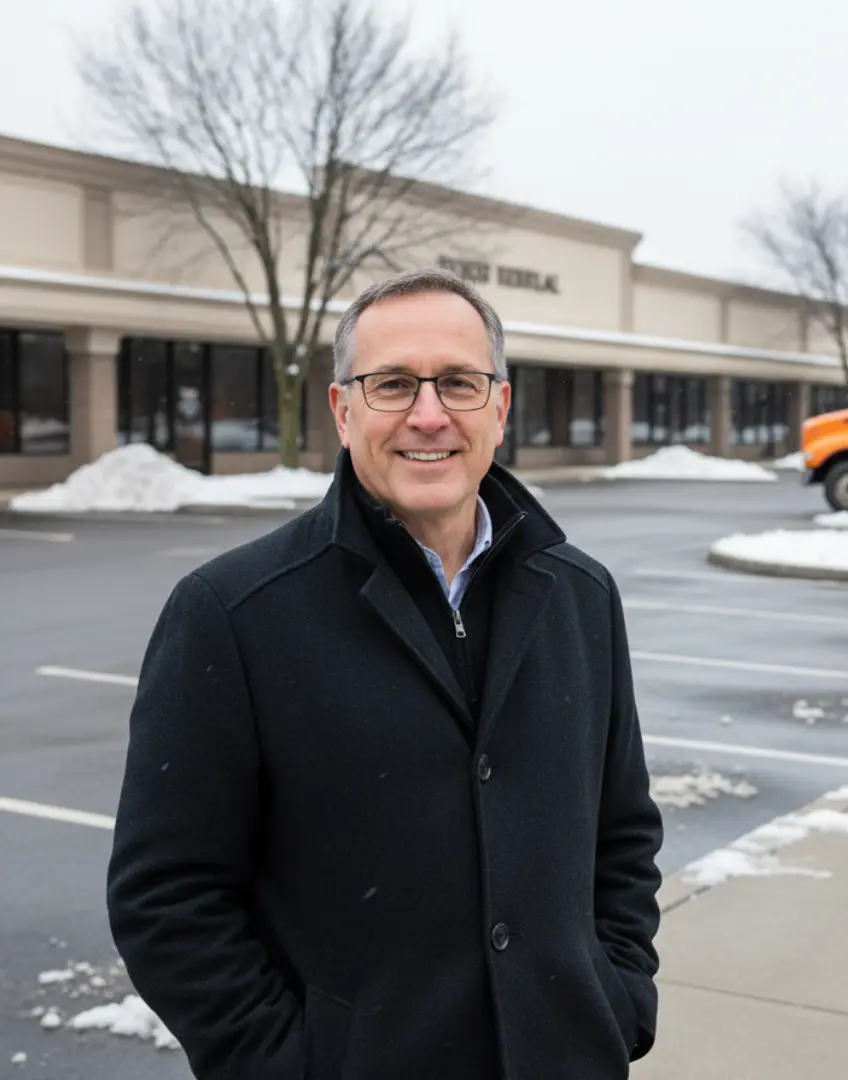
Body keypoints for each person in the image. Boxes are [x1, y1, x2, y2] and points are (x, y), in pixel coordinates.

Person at [107, 267, 664, 1080]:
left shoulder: (580, 595)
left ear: (499, 408)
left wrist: (618, 1000)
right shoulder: (233, 613)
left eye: (459, 384)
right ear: (343, 409)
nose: (428, 414)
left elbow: (623, 832)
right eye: (393, 384)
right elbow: (167, 897)